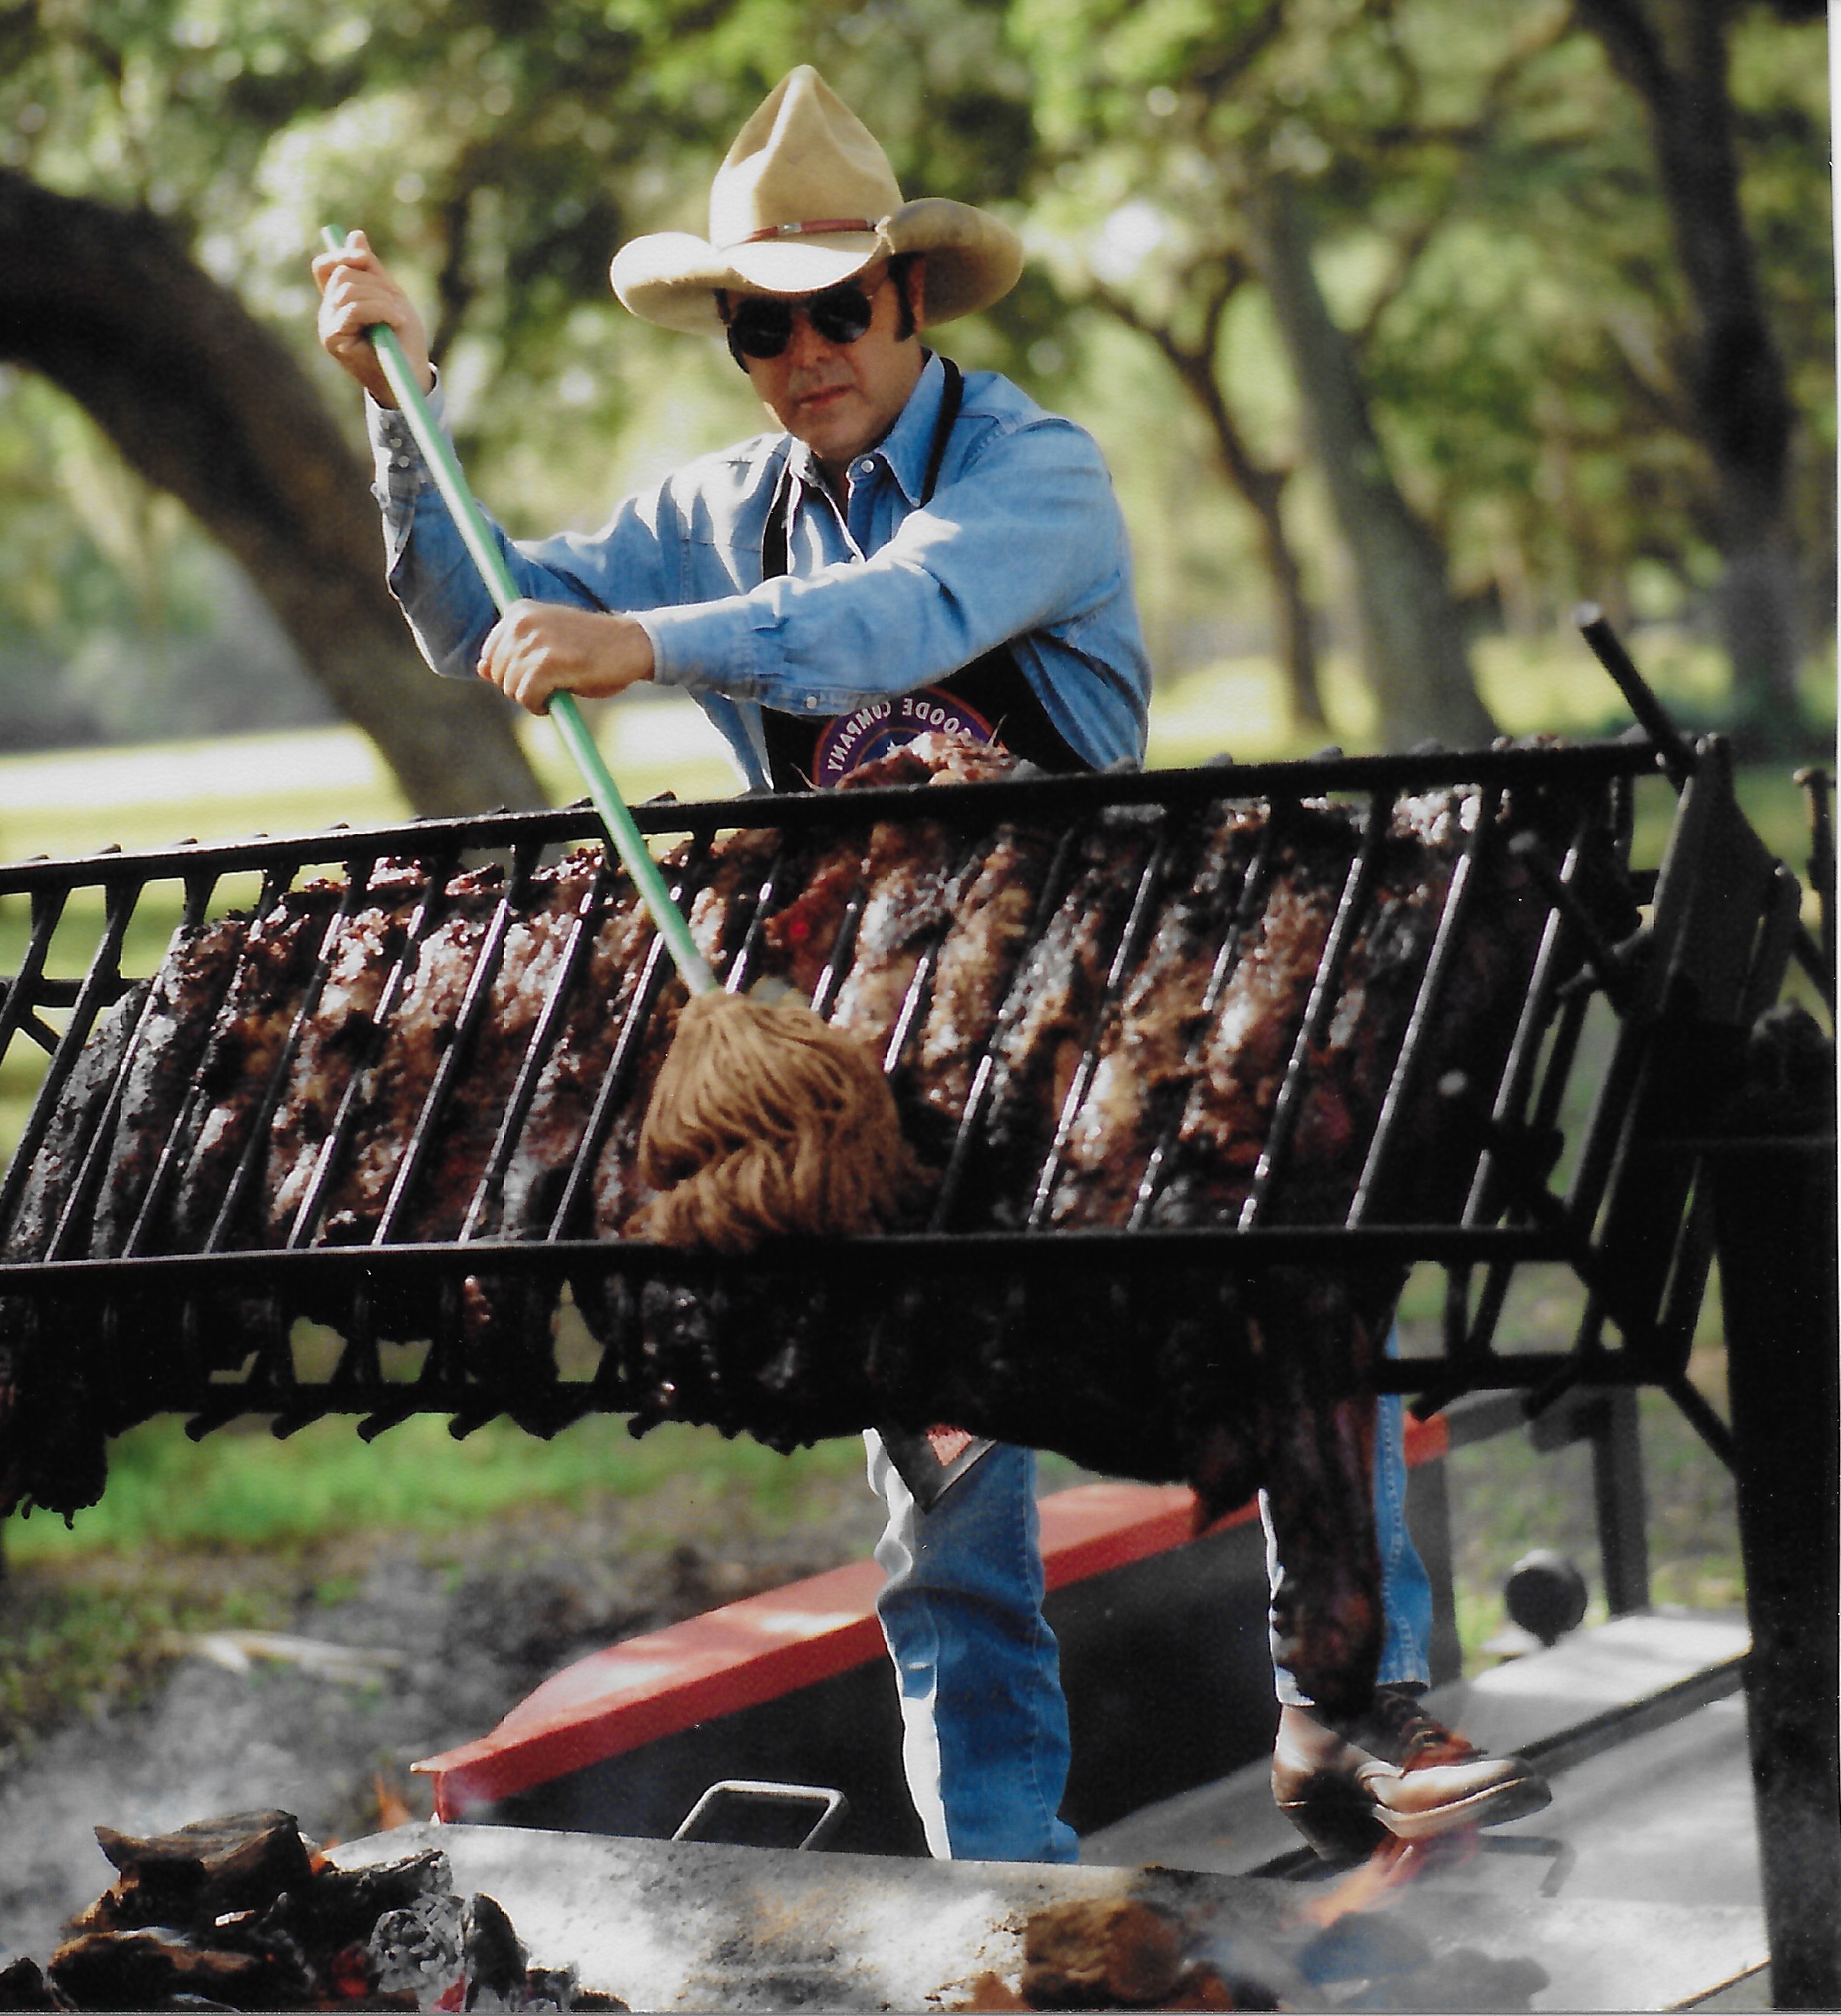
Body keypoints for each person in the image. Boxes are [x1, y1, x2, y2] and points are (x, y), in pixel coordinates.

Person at [313, 63, 1545, 1866]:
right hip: (894, 1032)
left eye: (833, 311)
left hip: (1111, 1004)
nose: (802, 352)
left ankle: (1349, 1702)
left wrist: (645, 641)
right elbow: (478, 600)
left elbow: (908, 612)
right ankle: (1003, 1876)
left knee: (1294, 1280)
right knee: (943, 1470)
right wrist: (393, 409)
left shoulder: (1031, 465)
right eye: (760, 324)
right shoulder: (720, 503)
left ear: (904, 301)